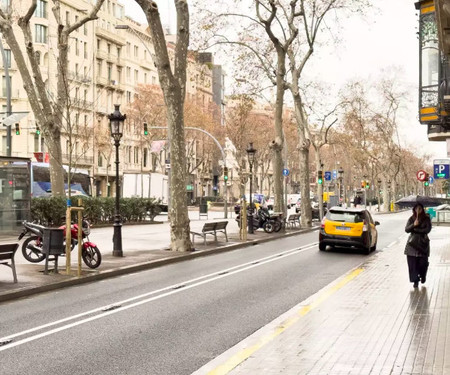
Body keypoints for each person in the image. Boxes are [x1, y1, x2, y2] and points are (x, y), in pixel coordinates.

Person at [404, 203, 432, 288]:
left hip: (422, 244)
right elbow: (407, 229)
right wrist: (413, 225)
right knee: (412, 263)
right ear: (414, 209)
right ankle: (415, 280)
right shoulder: (411, 219)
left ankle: (423, 275)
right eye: (416, 209)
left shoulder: (426, 219)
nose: (418, 210)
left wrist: (416, 229)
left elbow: (427, 229)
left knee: (423, 263)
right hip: (412, 244)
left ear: (422, 209)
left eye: (420, 209)